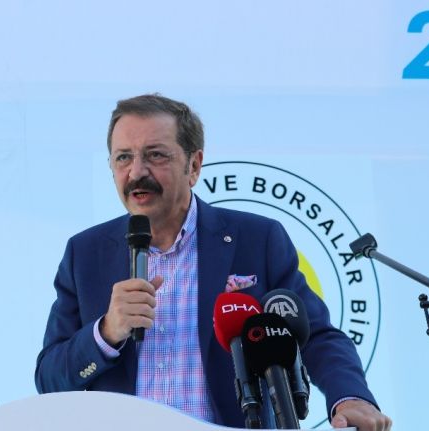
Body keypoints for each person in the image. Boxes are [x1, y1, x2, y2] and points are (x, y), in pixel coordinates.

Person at [34, 94, 392, 430]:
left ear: (194, 165)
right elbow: (49, 380)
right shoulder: (86, 253)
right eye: (123, 157)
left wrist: (350, 396)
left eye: (155, 155)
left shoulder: (257, 239)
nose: (137, 171)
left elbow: (315, 336)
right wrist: (106, 333)